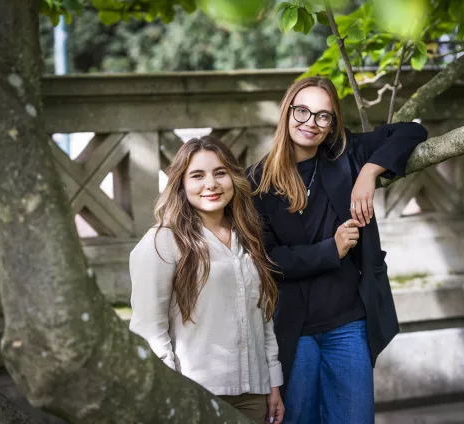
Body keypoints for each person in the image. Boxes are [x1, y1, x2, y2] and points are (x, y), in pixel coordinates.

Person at [247, 77, 428, 423]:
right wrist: (331, 250)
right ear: (287, 113)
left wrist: (370, 173)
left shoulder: (349, 155)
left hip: (347, 323)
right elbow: (268, 261)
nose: (310, 123)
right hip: (293, 329)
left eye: (322, 116)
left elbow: (412, 132)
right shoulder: (257, 182)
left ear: (332, 125)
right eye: (302, 111)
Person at [129, 136, 285, 424]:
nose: (211, 184)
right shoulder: (162, 242)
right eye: (197, 175)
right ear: (181, 184)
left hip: (254, 394)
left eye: (220, 173)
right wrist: (172, 394)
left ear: (233, 179)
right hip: (197, 394)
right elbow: (150, 331)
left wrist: (272, 382)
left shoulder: (249, 238)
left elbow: (263, 317)